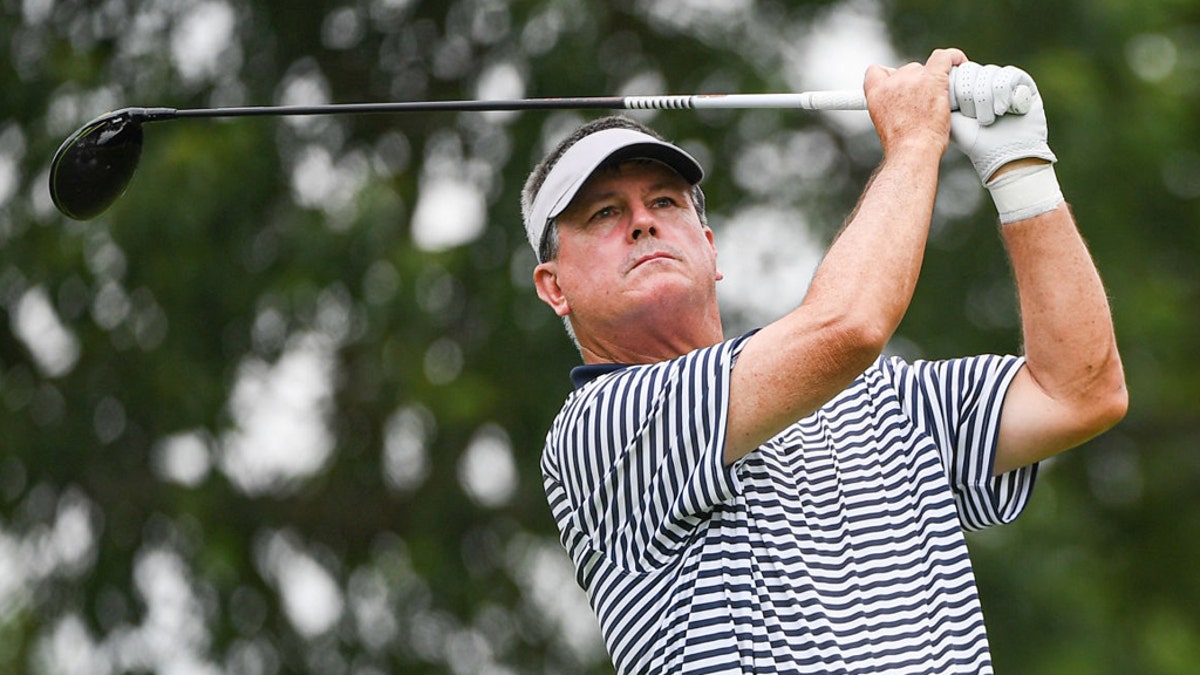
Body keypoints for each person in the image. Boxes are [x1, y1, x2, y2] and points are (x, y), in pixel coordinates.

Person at [521, 47, 1127, 674]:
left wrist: (1019, 171)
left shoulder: (881, 398)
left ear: (709, 246)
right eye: (604, 213)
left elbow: (1079, 392)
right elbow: (850, 327)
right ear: (554, 287)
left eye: (666, 203)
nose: (643, 223)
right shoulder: (599, 428)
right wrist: (917, 142)